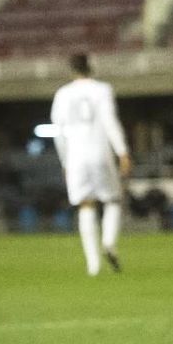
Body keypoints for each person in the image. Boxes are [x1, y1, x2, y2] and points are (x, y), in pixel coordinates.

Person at [50, 53, 131, 276]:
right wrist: (122, 151)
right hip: (99, 152)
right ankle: (108, 242)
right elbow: (109, 120)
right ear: (91, 67)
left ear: (71, 70)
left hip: (75, 155)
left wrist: (65, 160)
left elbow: (59, 132)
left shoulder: (62, 94)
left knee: (85, 205)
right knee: (113, 199)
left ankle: (93, 264)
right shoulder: (102, 90)